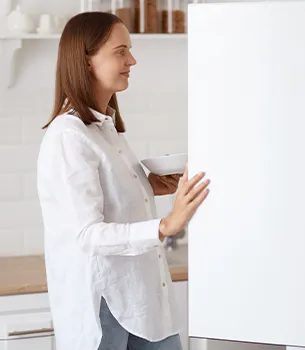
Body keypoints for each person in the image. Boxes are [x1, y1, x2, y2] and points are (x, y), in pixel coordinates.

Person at [36, 11, 210, 350]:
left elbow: (109, 200)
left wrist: (147, 186)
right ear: (86, 61)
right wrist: (166, 225)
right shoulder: (67, 136)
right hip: (106, 308)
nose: (132, 59)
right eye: (120, 51)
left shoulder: (104, 128)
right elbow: (87, 234)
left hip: (143, 304)